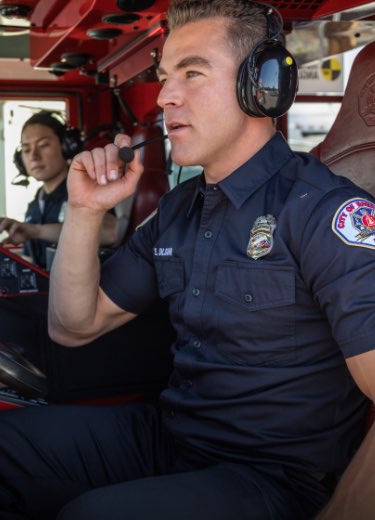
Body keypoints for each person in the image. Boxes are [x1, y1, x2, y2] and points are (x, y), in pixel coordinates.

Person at [0, 1, 375, 518]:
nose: (165, 96)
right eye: (163, 76)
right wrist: (85, 211)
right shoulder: (180, 209)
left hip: (272, 476)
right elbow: (73, 326)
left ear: (259, 86)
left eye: (192, 73)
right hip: (173, 438)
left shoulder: (326, 214)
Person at [0, 110, 118, 269]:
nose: (33, 156)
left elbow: (110, 232)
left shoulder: (85, 189)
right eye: (26, 149)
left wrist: (36, 231)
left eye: (43, 145)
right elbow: (33, 261)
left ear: (66, 147)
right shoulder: (36, 204)